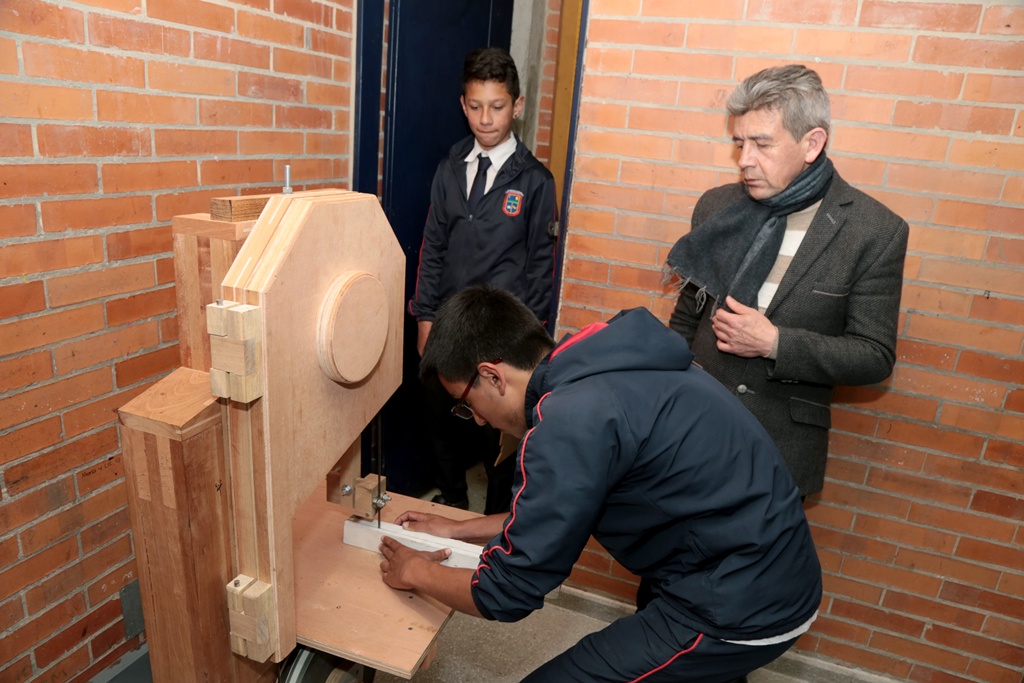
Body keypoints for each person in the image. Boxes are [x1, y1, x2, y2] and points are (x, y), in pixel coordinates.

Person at [379, 285, 822, 682]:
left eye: (465, 403)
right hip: (758, 561)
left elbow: (503, 593)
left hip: (741, 601)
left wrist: (413, 570)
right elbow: (554, 514)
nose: (475, 419)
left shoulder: (569, 421)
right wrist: (456, 528)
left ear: (493, 375)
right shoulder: (595, 361)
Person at [666, 64, 909, 500]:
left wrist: (776, 343)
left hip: (777, 454)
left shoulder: (874, 230)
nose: (744, 160)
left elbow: (874, 355)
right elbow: (687, 314)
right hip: (688, 432)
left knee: (747, 569)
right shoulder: (717, 207)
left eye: (762, 143)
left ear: (811, 143)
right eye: (739, 143)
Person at [409, 46, 558, 514]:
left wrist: (527, 346)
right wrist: (424, 317)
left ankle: (494, 519)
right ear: (463, 105)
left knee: (502, 437)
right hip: (448, 323)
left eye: (497, 107)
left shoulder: (534, 181)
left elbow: (540, 268)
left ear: (517, 106)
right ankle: (451, 502)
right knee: (440, 419)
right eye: (475, 106)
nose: (485, 118)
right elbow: (432, 247)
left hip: (500, 334)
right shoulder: (450, 167)